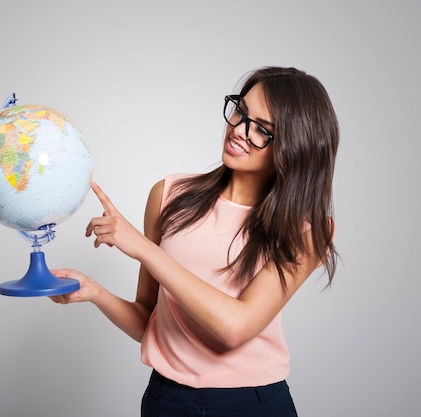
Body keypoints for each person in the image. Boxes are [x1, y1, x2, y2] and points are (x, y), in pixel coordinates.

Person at [50, 66, 339, 416]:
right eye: (240, 112)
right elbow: (150, 322)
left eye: (262, 129)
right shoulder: (169, 195)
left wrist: (143, 248)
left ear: (297, 148)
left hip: (254, 405)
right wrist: (95, 292)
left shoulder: (306, 230)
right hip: (167, 401)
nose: (238, 131)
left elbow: (236, 328)